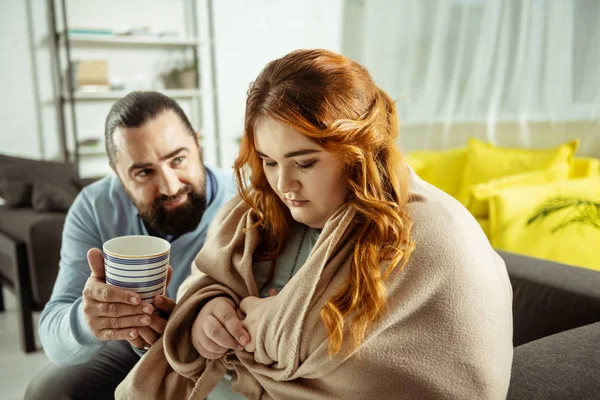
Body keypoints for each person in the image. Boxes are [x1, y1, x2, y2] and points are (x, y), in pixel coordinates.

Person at [116, 49, 513, 399]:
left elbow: (334, 347)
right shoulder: (259, 210)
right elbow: (202, 284)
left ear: (358, 152)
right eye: (270, 162)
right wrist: (207, 311)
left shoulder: (423, 229)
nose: (284, 184)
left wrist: (261, 323)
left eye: (304, 163)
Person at [25, 91, 237, 400]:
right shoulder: (95, 207)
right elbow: (54, 337)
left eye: (178, 159)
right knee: (48, 391)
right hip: (126, 343)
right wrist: (90, 320)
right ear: (117, 174)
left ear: (197, 143)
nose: (170, 186)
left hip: (212, 350)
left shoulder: (244, 199)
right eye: (143, 172)